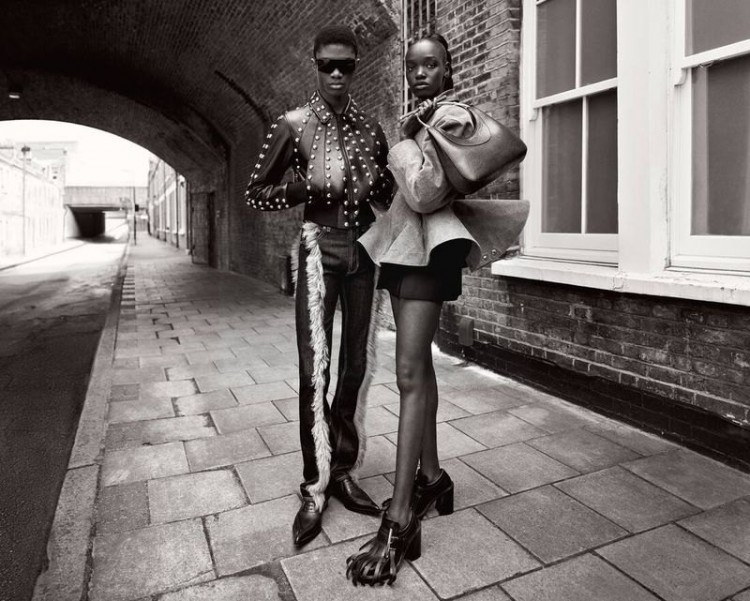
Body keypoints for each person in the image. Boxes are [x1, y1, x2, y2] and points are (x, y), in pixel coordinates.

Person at [347, 33, 524, 586]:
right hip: (404, 250)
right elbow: (407, 196)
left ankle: (400, 518)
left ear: (448, 70)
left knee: (407, 374)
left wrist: (402, 145)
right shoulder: (422, 120)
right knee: (418, 367)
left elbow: (426, 193)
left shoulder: (453, 119)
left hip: (430, 254)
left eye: (431, 65)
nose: (419, 73)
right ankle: (432, 478)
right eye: (412, 66)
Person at [245, 24, 394, 548]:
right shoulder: (293, 124)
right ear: (315, 64)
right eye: (327, 65)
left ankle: (343, 469)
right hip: (318, 251)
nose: (336, 74)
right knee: (315, 370)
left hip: (364, 251)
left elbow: (389, 194)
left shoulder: (370, 128)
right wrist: (302, 187)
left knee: (356, 366)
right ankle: (315, 483)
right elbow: (256, 193)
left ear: (355, 67)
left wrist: (383, 181)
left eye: (345, 65)